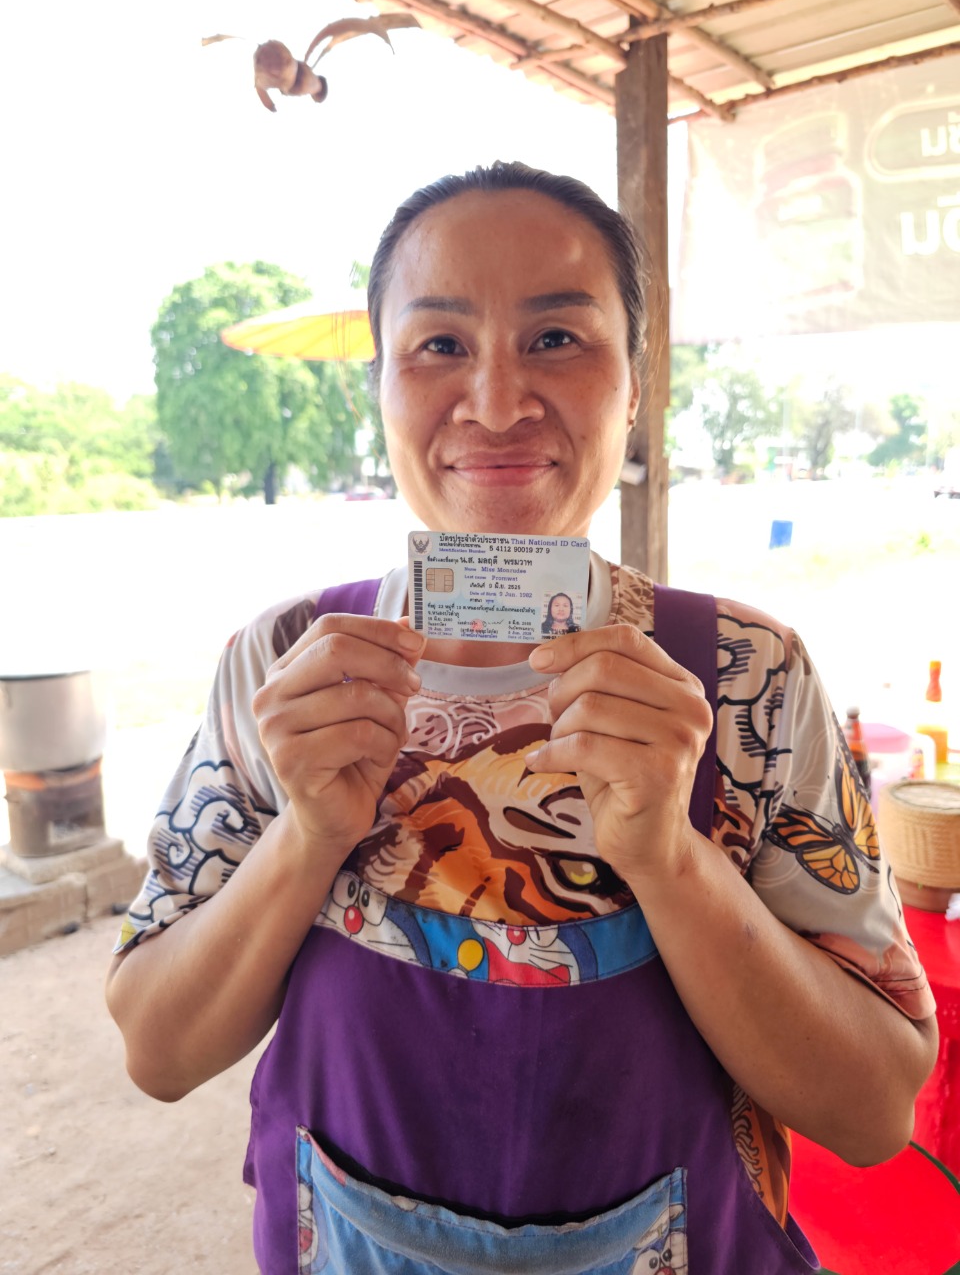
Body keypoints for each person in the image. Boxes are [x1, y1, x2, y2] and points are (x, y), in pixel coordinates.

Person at [106, 162, 938, 1275]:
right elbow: (159, 1050)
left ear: (635, 387)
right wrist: (307, 835)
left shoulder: (748, 678)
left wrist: (667, 857)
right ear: (380, 388)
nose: (496, 404)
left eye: (557, 338)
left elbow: (874, 1111)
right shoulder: (284, 667)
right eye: (439, 345)